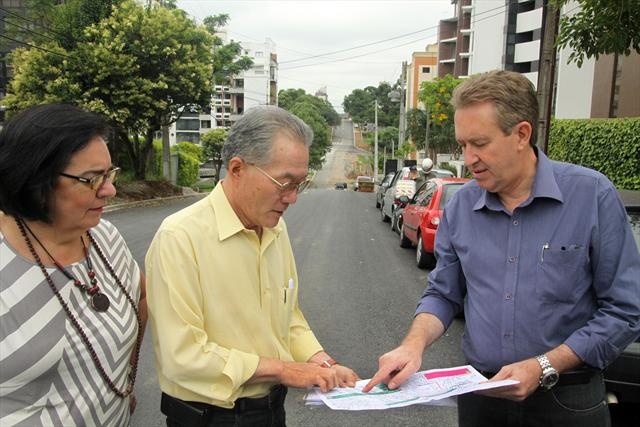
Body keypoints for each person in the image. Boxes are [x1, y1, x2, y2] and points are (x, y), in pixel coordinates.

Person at [364, 70, 640, 427]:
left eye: (479, 143)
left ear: (521, 134)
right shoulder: (461, 208)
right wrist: (412, 345)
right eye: (463, 144)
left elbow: (624, 310)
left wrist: (544, 365)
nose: (468, 157)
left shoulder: (592, 196)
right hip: (482, 397)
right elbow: (444, 295)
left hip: (567, 399)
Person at [145, 106, 359, 427]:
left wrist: (323, 363)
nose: (292, 198)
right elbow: (183, 356)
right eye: (284, 183)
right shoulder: (180, 237)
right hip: (209, 418)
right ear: (236, 169)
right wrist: (285, 370)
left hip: (271, 412)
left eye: (300, 184)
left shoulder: (275, 229)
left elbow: (287, 320)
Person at [0, 104, 147, 426]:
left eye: (109, 174)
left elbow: (141, 298)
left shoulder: (105, 236)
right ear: (34, 179)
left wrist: (125, 383)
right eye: (91, 179)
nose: (110, 190)